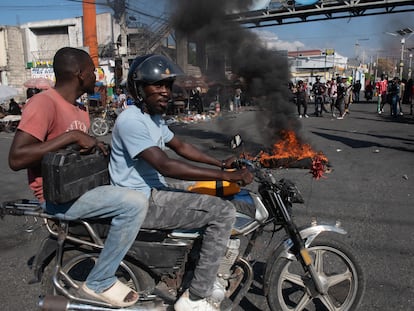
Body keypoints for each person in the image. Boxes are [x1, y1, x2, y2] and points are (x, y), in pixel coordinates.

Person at [109, 54, 254, 311]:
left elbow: (182, 146)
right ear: (138, 88)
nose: (166, 92)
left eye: (168, 85)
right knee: (222, 212)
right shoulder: (131, 121)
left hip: (154, 190)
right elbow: (166, 164)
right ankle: (196, 297)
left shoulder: (152, 118)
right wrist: (227, 176)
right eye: (158, 85)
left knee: (211, 195)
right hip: (140, 202)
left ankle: (194, 266)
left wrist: (220, 164)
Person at [8, 47, 148, 308]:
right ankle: (100, 281)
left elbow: (70, 154)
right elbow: (16, 158)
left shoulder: (80, 109)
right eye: (93, 72)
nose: (96, 76)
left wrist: (94, 145)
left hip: (79, 190)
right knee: (135, 202)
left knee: (139, 187)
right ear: (79, 73)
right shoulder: (43, 103)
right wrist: (71, 137)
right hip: (55, 197)